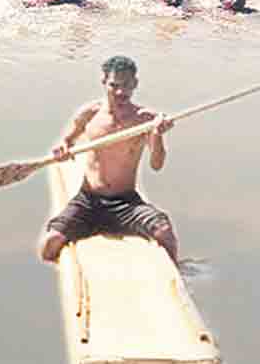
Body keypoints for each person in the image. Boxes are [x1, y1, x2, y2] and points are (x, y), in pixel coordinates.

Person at [39, 55, 178, 263]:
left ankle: (177, 277)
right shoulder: (89, 114)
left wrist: (157, 135)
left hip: (126, 202)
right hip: (88, 200)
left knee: (165, 234)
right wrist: (62, 149)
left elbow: (157, 165)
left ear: (135, 84)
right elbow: (66, 141)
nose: (121, 92)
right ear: (104, 82)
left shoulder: (146, 119)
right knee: (50, 245)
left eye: (127, 86)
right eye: (114, 86)